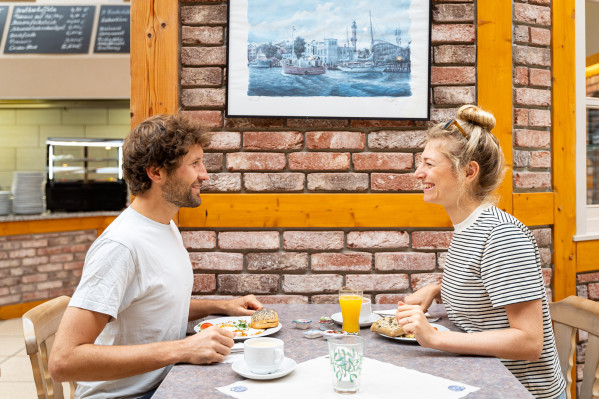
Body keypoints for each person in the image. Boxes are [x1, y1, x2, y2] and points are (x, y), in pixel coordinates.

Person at [49, 114, 263, 399]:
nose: (205, 174)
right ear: (157, 173)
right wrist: (183, 349)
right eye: (194, 164)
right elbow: (63, 362)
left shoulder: (165, 226)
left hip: (164, 384)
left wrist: (223, 306)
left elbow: (153, 308)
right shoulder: (121, 246)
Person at [395, 105, 566, 399]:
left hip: (521, 392)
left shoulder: (502, 235)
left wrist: (434, 338)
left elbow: (529, 342)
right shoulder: (470, 228)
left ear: (469, 171)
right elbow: (486, 289)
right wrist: (438, 290)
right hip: (484, 380)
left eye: (429, 164)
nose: (417, 173)